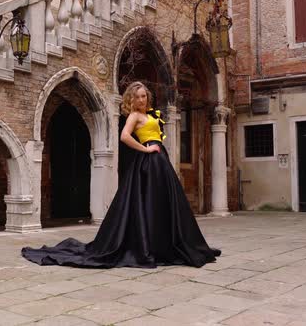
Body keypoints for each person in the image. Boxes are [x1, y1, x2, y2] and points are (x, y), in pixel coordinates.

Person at [21, 81, 221, 268]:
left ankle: (167, 244)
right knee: (147, 202)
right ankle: (147, 246)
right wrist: (145, 149)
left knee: (165, 203)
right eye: (138, 97)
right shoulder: (134, 116)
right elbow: (125, 137)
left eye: (144, 96)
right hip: (148, 163)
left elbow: (158, 136)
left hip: (161, 163)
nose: (142, 100)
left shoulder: (153, 114)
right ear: (132, 100)